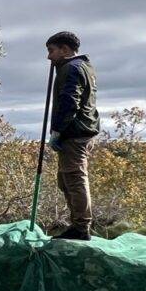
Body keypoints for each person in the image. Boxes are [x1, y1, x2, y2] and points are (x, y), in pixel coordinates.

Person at [45, 31, 100, 241]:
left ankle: (80, 228)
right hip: (81, 131)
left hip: (75, 133)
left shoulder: (72, 68)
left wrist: (58, 130)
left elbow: (70, 102)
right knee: (65, 179)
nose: (49, 57)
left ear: (65, 50)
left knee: (75, 179)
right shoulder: (84, 67)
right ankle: (77, 224)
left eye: (51, 51)